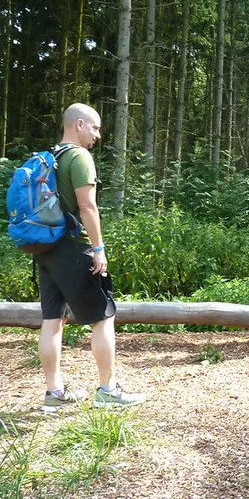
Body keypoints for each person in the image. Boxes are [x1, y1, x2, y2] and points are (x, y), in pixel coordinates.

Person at [37, 103, 145, 410]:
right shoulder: (79, 157)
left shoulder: (50, 157)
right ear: (79, 124)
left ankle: (54, 393)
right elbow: (87, 207)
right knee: (103, 315)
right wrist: (98, 248)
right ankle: (108, 390)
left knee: (52, 319)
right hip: (74, 247)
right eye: (95, 128)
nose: (97, 134)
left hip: (46, 247)